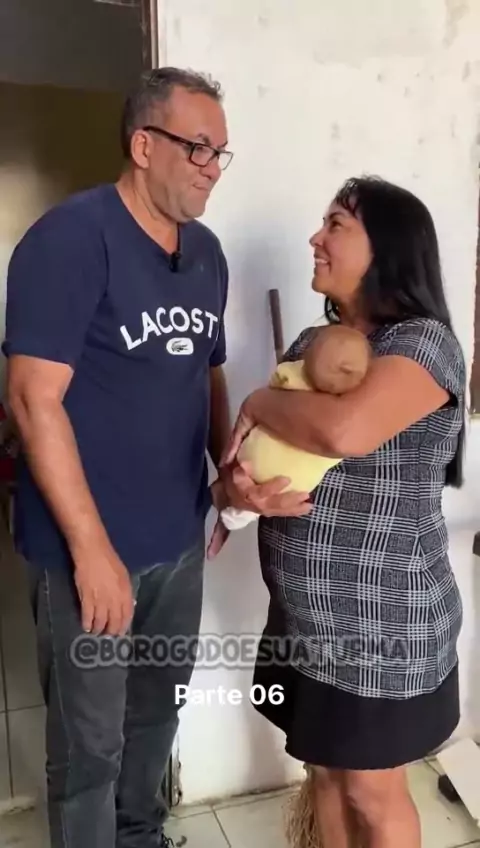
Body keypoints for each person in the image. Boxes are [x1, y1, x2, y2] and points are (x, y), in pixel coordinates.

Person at [1, 67, 310, 848]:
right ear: (143, 145)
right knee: (90, 746)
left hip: (178, 537)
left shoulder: (205, 253)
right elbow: (32, 400)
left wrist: (227, 475)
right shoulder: (71, 240)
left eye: (220, 153)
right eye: (198, 148)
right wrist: (91, 551)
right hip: (87, 548)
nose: (212, 168)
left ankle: (139, 836)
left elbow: (205, 371)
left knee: (156, 714)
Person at [221, 176, 466, 848]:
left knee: (371, 791)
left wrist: (258, 401)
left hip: (381, 627)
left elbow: (344, 432)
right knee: (324, 775)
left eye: (335, 225)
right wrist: (238, 489)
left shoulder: (422, 345)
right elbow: (259, 455)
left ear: (387, 247)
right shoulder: (310, 344)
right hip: (303, 620)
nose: (316, 238)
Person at [220, 324, 371, 530]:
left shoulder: (295, 372)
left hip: (254, 461)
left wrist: (259, 402)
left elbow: (339, 435)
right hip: (296, 484)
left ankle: (239, 512)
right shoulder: (354, 391)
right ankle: (240, 511)